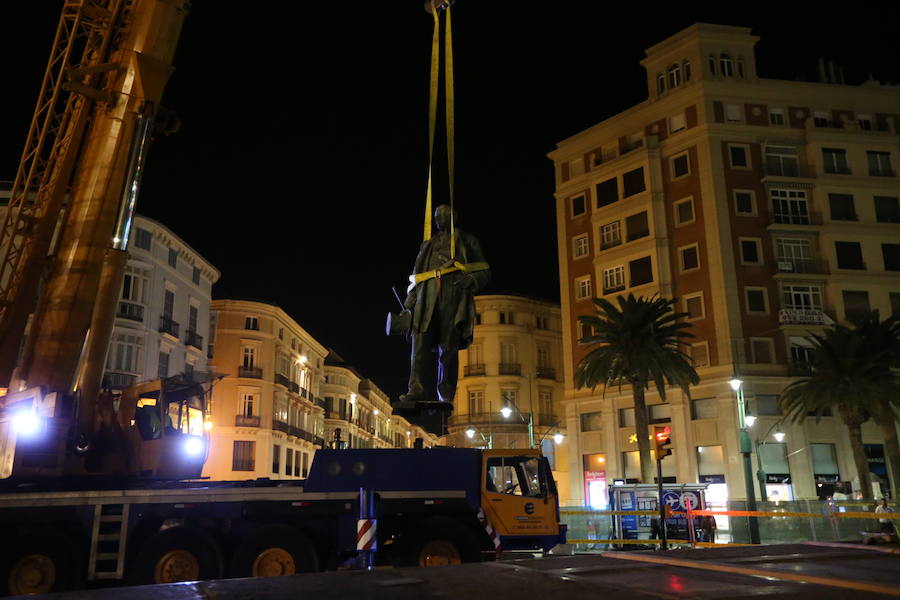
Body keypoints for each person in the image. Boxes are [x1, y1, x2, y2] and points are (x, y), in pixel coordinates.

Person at [396, 204, 489, 410]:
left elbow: (484, 270)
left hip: (453, 296)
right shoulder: (427, 245)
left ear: (453, 217)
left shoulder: (468, 241)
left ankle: (446, 393)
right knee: (419, 345)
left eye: (442, 216)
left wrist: (471, 280)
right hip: (426, 299)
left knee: (448, 348)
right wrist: (408, 305)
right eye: (436, 217)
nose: (438, 220)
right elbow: (416, 277)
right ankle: (415, 390)